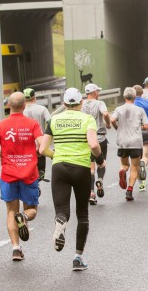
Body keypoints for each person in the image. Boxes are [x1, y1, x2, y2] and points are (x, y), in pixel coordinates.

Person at [39, 88, 104, 271]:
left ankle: (60, 222)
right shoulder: (87, 119)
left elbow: (42, 149)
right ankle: (77, 257)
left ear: (65, 103)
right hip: (81, 167)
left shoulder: (53, 120)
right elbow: (93, 144)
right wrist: (99, 159)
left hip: (60, 167)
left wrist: (56, 155)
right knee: (82, 213)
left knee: (62, 210)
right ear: (81, 102)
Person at [0, 92, 44, 261]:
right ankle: (25, 217)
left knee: (11, 211)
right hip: (29, 174)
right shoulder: (32, 124)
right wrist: (36, 152)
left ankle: (15, 248)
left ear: (9, 106)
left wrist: (2, 153)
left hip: (8, 174)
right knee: (32, 210)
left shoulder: (0, 126)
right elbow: (42, 145)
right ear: (24, 106)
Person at [110, 87, 148, 201]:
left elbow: (112, 120)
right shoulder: (139, 110)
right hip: (135, 142)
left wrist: (117, 127)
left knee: (125, 165)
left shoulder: (118, 109)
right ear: (135, 96)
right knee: (135, 167)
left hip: (122, 142)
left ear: (124, 97)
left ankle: (122, 171)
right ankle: (129, 191)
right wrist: (138, 127)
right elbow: (146, 126)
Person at [81, 83, 111, 205]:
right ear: (94, 92)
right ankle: (100, 180)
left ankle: (91, 193)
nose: (98, 93)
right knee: (102, 164)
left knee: (90, 168)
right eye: (97, 91)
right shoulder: (99, 103)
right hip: (99, 138)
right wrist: (108, 124)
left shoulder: (81, 103)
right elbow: (105, 113)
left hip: (86, 139)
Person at [22, 88, 51, 182]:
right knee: (40, 164)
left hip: (25, 141)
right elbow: (50, 122)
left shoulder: (21, 110)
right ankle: (41, 173)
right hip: (40, 140)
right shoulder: (42, 109)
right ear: (34, 97)